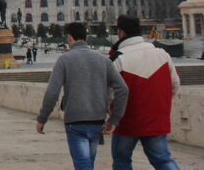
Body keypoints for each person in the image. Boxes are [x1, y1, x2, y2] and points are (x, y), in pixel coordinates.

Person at [36, 23, 128, 170]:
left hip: (75, 122)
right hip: (97, 120)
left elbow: (52, 93)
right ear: (85, 37)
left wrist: (42, 118)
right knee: (87, 162)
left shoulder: (64, 60)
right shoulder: (103, 59)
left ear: (69, 37)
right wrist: (114, 118)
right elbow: (123, 89)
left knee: (83, 165)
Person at [110, 15, 181, 170]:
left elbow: (109, 93)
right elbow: (174, 85)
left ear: (121, 33)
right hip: (156, 118)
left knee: (122, 160)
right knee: (163, 160)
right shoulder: (162, 54)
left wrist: (111, 116)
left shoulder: (118, 58)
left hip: (128, 121)